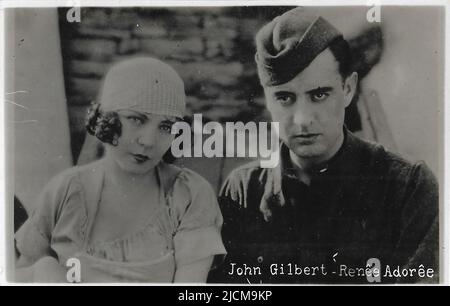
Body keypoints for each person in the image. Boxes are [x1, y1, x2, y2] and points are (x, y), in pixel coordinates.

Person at [208, 7, 438, 284]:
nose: (303, 119)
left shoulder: (407, 189)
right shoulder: (244, 192)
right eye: (284, 98)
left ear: (348, 89)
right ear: (267, 100)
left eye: (318, 95)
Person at [15, 57, 226, 283]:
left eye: (166, 126)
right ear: (106, 119)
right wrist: (44, 271)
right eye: (136, 119)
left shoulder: (189, 196)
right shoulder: (64, 191)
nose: (148, 141)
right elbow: (20, 273)